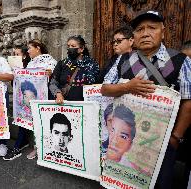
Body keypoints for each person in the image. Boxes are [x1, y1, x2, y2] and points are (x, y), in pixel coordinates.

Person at [100, 10, 191, 189]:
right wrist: (127, 87)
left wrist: (175, 138)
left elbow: (189, 102)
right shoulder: (123, 60)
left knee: (160, 182)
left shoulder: (181, 61)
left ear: (163, 32)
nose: (146, 33)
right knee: (124, 180)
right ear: (133, 36)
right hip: (125, 139)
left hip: (162, 143)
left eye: (152, 28)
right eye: (140, 29)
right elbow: (105, 88)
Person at [50, 35, 100, 103]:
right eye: (68, 46)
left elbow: (97, 84)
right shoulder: (62, 64)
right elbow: (53, 83)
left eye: (73, 46)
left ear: (81, 49)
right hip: (65, 103)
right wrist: (58, 94)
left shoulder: (92, 64)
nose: (70, 48)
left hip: (86, 104)